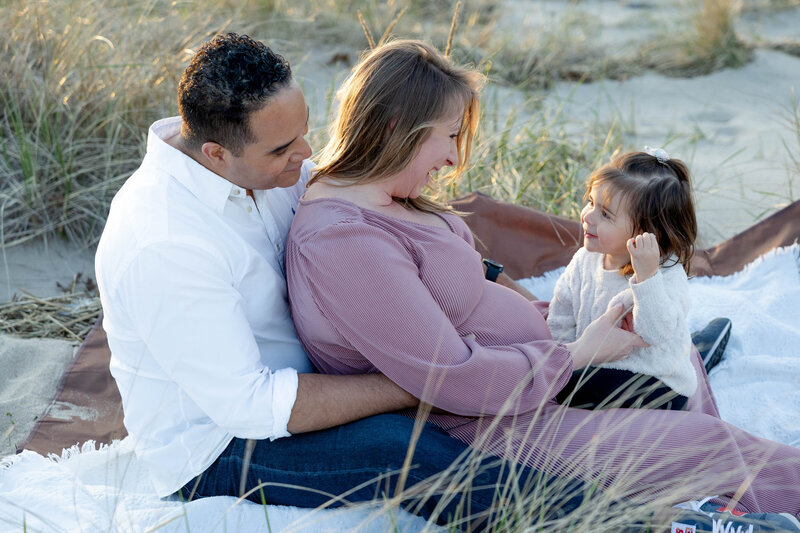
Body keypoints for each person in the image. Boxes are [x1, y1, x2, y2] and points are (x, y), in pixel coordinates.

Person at [285, 38, 800, 519]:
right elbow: (452, 378)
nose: (450, 156)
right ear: (396, 127)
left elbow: (470, 280)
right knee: (705, 444)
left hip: (537, 370)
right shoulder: (343, 244)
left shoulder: (382, 195)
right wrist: (579, 353)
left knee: (670, 349)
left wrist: (556, 322)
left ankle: (685, 409)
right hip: (492, 422)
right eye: (448, 136)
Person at [93, 32, 589, 530]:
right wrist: (421, 383)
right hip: (222, 449)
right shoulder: (163, 242)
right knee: (399, 449)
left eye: (305, 131)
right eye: (284, 148)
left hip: (336, 374)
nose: (307, 153)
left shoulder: (271, 170)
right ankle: (617, 522)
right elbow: (249, 407)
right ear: (216, 153)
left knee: (549, 376)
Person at [549, 149, 699, 411]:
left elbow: (656, 332)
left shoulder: (664, 275)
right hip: (591, 363)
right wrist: (564, 353)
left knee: (573, 389)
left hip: (653, 380)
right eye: (590, 202)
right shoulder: (586, 259)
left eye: (605, 214)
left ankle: (699, 356)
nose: (587, 216)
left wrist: (646, 277)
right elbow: (562, 310)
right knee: (559, 379)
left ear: (647, 233)